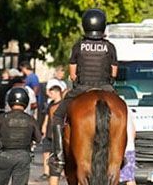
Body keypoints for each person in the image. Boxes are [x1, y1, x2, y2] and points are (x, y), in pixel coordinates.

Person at [51, 9, 119, 167]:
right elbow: (114, 73)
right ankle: (120, 155)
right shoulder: (110, 47)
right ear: (103, 25)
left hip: (82, 88)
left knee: (57, 117)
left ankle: (59, 156)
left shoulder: (78, 46)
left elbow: (73, 74)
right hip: (106, 88)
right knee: (125, 116)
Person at [119, 109, 145, 185]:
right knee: (129, 176)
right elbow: (134, 131)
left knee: (128, 176)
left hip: (123, 147)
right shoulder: (125, 108)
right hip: (129, 147)